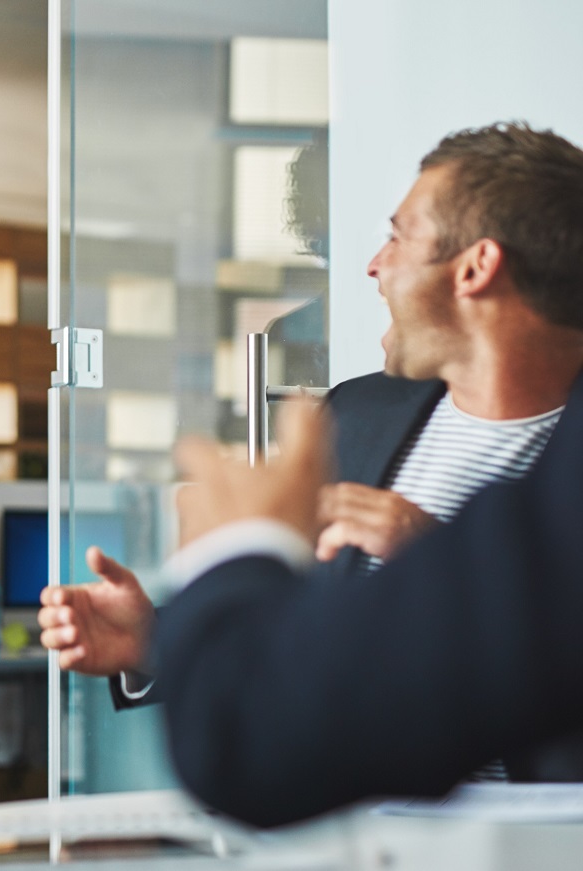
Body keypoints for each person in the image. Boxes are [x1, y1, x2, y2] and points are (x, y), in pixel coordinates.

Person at [44, 121, 583, 827]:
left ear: (475, 267)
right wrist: (158, 637)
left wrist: (436, 549)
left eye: (398, 235)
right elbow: (313, 649)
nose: (373, 264)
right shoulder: (351, 414)